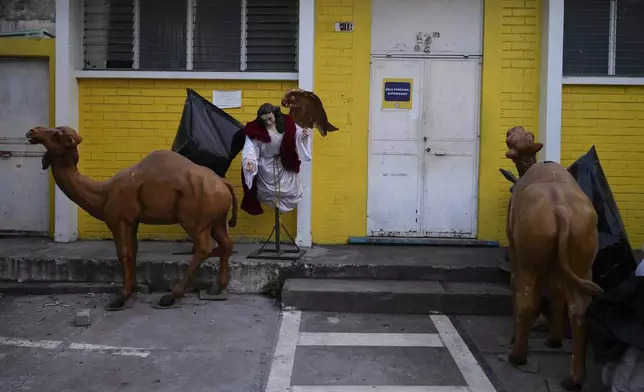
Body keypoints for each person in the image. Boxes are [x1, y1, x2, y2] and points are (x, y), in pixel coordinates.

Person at [240, 103, 312, 216]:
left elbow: (296, 132)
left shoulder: (287, 122)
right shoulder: (255, 129)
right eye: (265, 120)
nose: (268, 122)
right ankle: (273, 203)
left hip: (284, 162)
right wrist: (249, 161)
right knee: (267, 193)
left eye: (270, 119)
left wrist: (302, 135)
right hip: (266, 166)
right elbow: (250, 148)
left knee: (291, 190)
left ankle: (282, 208)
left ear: (275, 114)